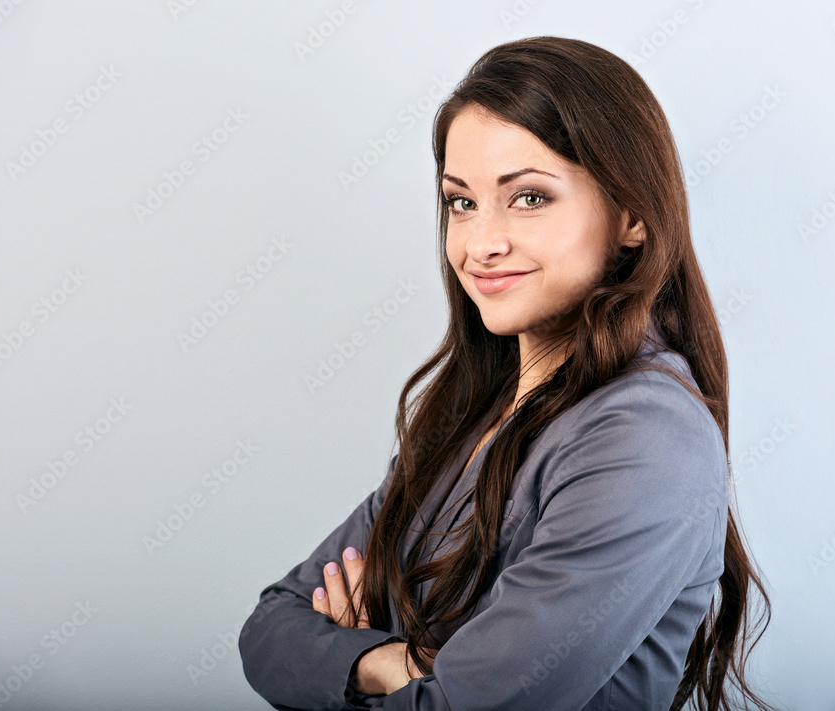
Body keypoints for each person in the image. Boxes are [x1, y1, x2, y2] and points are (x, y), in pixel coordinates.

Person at [239, 35, 774, 710]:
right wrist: (385, 662)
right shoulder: (467, 416)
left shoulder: (644, 435)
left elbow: (469, 706)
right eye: (461, 202)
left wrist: (348, 660)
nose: (481, 243)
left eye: (528, 197)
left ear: (632, 215)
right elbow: (268, 630)